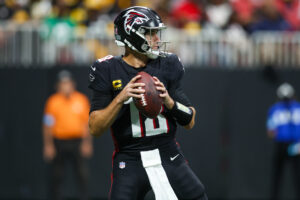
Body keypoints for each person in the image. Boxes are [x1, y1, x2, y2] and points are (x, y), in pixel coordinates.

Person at [88, 6, 207, 200]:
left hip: (168, 153)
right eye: (151, 34)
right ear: (132, 35)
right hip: (130, 158)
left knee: (197, 195)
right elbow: (94, 127)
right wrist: (121, 98)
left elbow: (190, 120)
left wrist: (169, 101)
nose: (157, 39)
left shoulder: (167, 64)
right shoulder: (107, 69)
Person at [43, 70, 93, 200]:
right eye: (63, 84)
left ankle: (84, 197)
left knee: (82, 174)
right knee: (57, 174)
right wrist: (48, 145)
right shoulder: (53, 101)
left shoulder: (81, 100)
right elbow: (48, 125)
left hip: (77, 141)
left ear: (73, 84)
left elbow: (86, 124)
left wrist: (87, 143)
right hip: (59, 141)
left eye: (68, 83)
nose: (66, 86)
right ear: (58, 86)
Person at [266, 82, 300, 200]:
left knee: (279, 175)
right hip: (294, 145)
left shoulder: (275, 109)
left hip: (285, 145)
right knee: (293, 175)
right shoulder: (297, 108)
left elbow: (271, 132)